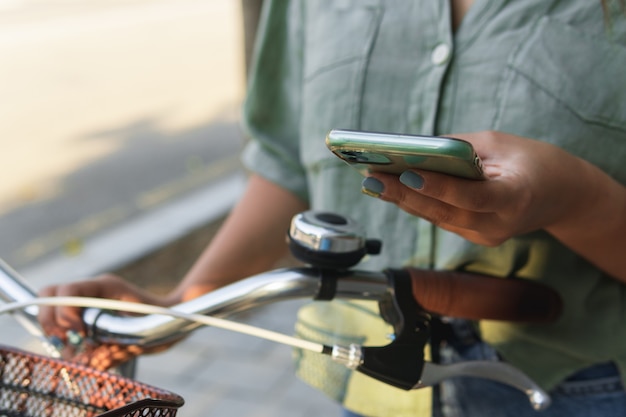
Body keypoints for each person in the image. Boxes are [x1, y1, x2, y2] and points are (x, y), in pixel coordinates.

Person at [38, 1, 626, 416]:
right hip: (363, 384)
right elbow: (288, 168)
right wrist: (182, 305)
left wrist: (575, 197)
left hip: (580, 387)